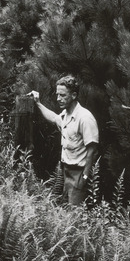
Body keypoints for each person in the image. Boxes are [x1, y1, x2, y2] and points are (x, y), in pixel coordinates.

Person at [29, 75, 99, 206]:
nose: (58, 99)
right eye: (57, 95)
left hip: (78, 173)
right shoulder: (66, 115)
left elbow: (92, 151)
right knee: (62, 208)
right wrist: (38, 103)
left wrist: (84, 177)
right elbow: (54, 118)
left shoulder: (85, 118)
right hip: (64, 170)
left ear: (73, 95)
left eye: (62, 95)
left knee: (75, 214)